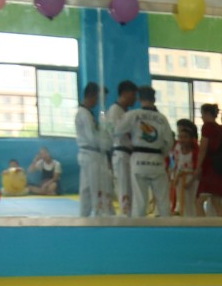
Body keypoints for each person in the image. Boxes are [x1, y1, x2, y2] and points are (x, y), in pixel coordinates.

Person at [119, 86, 175, 219]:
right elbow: (169, 142)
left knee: (140, 201)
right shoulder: (162, 118)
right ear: (154, 99)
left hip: (139, 159)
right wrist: (161, 154)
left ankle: (138, 229)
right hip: (157, 160)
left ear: (139, 99)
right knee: (163, 201)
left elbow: (117, 130)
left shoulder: (133, 115)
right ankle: (167, 227)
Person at [74, 83, 109, 217]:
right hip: (91, 154)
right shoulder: (84, 114)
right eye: (97, 98)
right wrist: (106, 144)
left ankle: (84, 217)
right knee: (96, 189)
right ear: (91, 96)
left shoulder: (86, 113)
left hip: (88, 154)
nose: (98, 102)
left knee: (86, 189)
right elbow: (92, 138)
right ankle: (98, 216)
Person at [194, 103, 222, 217]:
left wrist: (198, 167)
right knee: (216, 201)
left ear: (206, 113)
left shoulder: (207, 127)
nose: (201, 117)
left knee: (199, 202)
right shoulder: (221, 129)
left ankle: (203, 226)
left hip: (210, 167)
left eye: (202, 114)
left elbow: (203, 148)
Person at [106, 79, 136, 216]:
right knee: (124, 190)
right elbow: (113, 131)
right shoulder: (114, 110)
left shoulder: (126, 111)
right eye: (133, 94)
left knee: (131, 191)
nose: (135, 98)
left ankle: (130, 217)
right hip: (120, 153)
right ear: (124, 93)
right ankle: (126, 219)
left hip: (129, 154)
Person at [169, 121, 198, 216]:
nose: (182, 139)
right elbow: (176, 163)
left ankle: (193, 220)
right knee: (181, 201)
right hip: (180, 177)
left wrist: (191, 181)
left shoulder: (195, 150)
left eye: (185, 137)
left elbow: (198, 168)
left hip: (192, 178)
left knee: (192, 201)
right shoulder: (177, 147)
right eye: (180, 137)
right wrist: (174, 176)